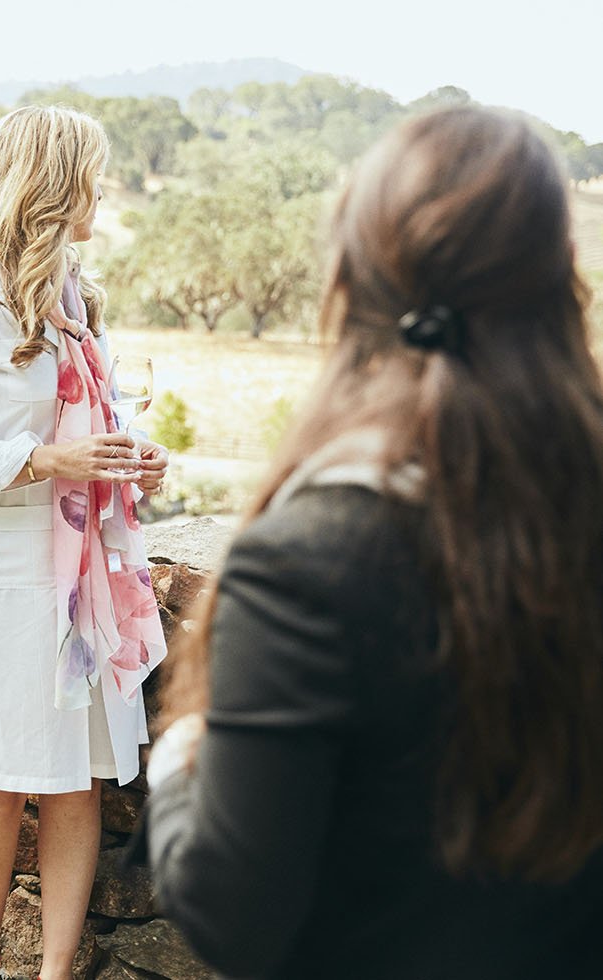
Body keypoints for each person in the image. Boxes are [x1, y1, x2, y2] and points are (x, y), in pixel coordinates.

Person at [142, 105, 603, 979]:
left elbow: (229, 917)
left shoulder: (306, 564)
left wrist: (176, 761)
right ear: (557, 277)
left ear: (352, 283)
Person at [0, 105, 170, 980]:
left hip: (83, 580)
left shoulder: (77, 299)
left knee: (76, 779)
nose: (104, 190)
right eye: (93, 172)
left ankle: (55, 974)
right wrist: (48, 458)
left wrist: (134, 462)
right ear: (52, 184)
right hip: (1, 574)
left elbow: (98, 422)